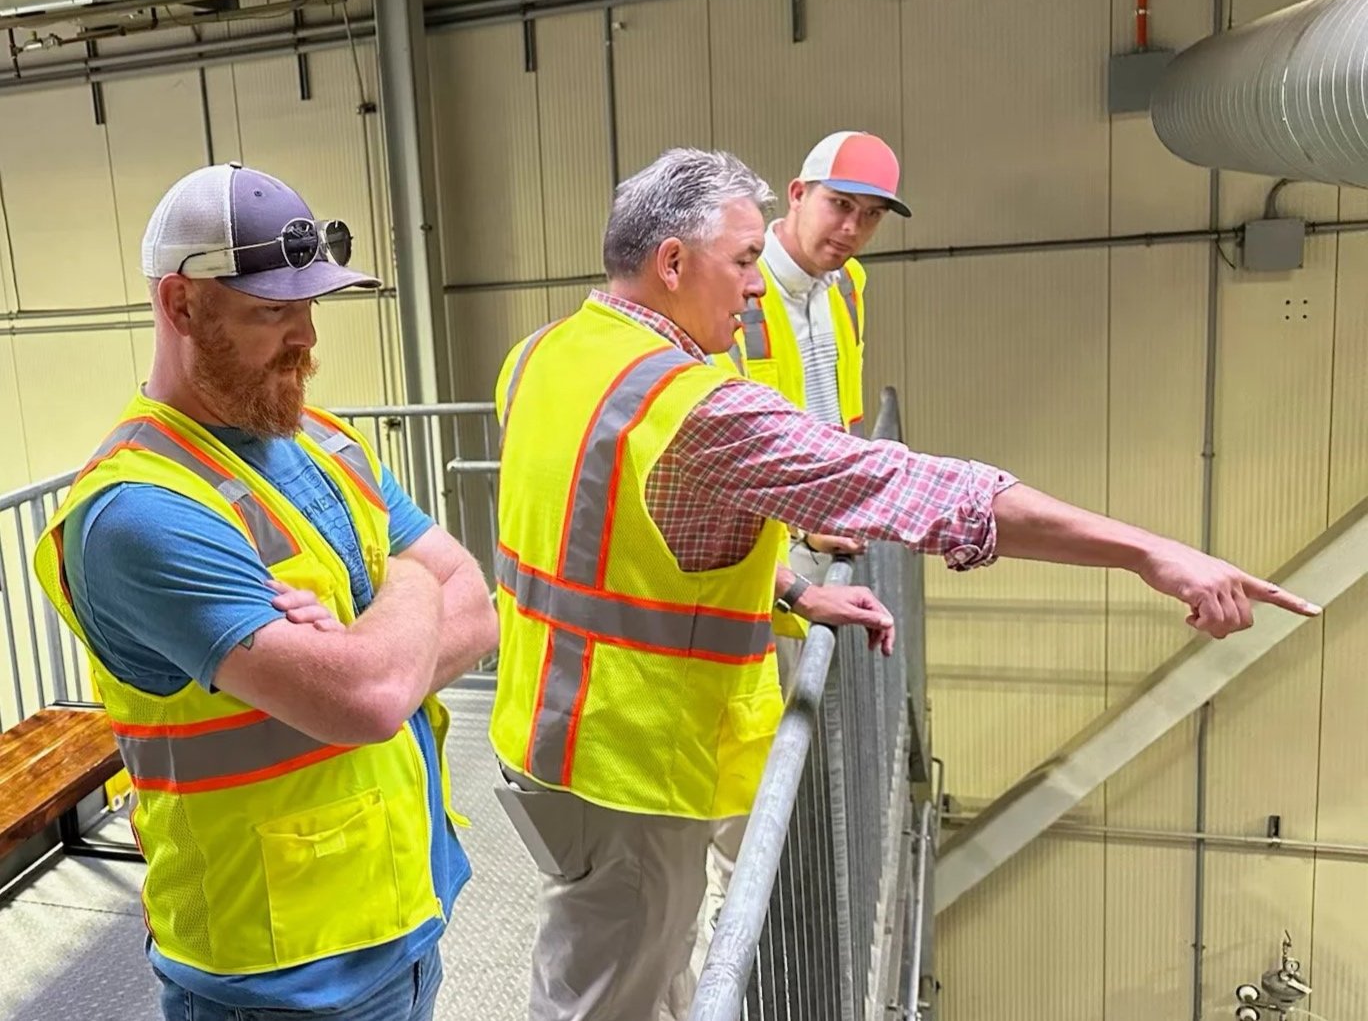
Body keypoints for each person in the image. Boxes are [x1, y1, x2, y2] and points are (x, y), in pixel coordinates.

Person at [489, 148, 1318, 1021]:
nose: (754, 287)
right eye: (741, 262)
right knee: (600, 996)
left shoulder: (546, 353)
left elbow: (624, 528)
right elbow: (919, 491)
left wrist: (793, 592)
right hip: (632, 767)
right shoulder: (691, 404)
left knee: (632, 969)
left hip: (550, 732)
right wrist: (1152, 554)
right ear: (671, 264)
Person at [32, 163, 498, 1021]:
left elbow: (476, 600)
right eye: (273, 312)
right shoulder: (138, 511)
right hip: (276, 976)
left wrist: (368, 637)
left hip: (402, 909)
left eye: (310, 306)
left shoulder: (320, 440)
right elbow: (369, 697)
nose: (307, 339)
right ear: (181, 306)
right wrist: (401, 589)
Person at [705, 129, 910, 936]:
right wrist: (809, 523)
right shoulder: (742, 298)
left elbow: (843, 410)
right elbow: (731, 447)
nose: (851, 229)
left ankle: (770, 884)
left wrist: (848, 498)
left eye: (869, 216)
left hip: (823, 538)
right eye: (838, 206)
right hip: (769, 549)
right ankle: (739, 909)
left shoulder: (848, 285)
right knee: (755, 748)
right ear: (796, 194)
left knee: (795, 726)